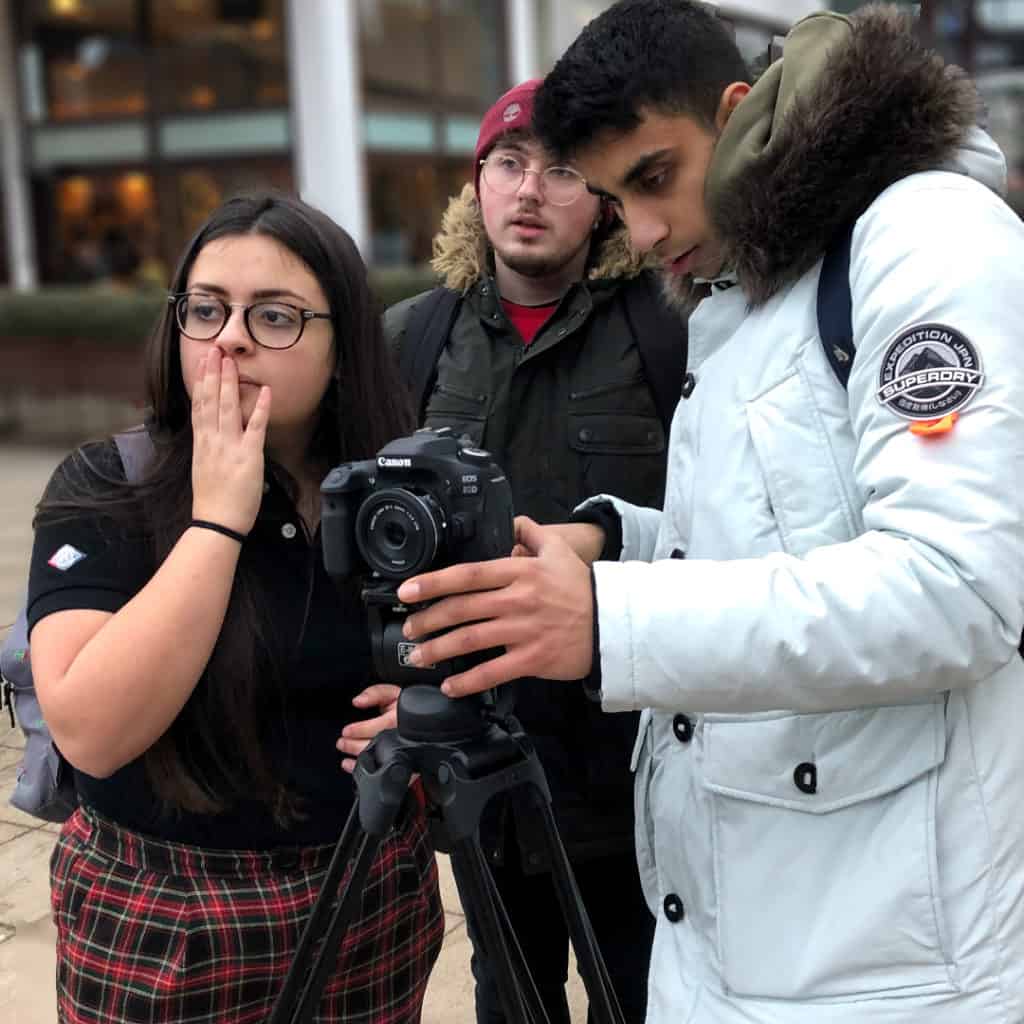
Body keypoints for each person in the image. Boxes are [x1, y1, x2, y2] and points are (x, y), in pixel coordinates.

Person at [381, 3, 1024, 1023]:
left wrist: (607, 619)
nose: (639, 232)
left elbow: (957, 590)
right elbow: (766, 537)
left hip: (889, 971)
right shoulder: (739, 294)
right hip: (733, 942)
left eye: (650, 177)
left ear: (734, 114)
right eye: (611, 196)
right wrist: (609, 541)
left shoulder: (922, 234)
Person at [26, 192, 444, 1024]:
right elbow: (91, 730)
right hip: (164, 917)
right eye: (207, 309)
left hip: (368, 891)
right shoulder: (105, 484)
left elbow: (458, 654)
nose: (230, 338)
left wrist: (432, 708)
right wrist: (218, 518)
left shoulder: (391, 493)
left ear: (343, 347)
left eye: (276, 316)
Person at [343, 78, 678, 1024]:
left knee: (641, 994)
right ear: (477, 184)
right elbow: (360, 527)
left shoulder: (667, 331)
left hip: (625, 766)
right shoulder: (411, 341)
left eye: (562, 169)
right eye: (509, 164)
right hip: (472, 765)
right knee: (511, 999)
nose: (530, 191)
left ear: (604, 196)